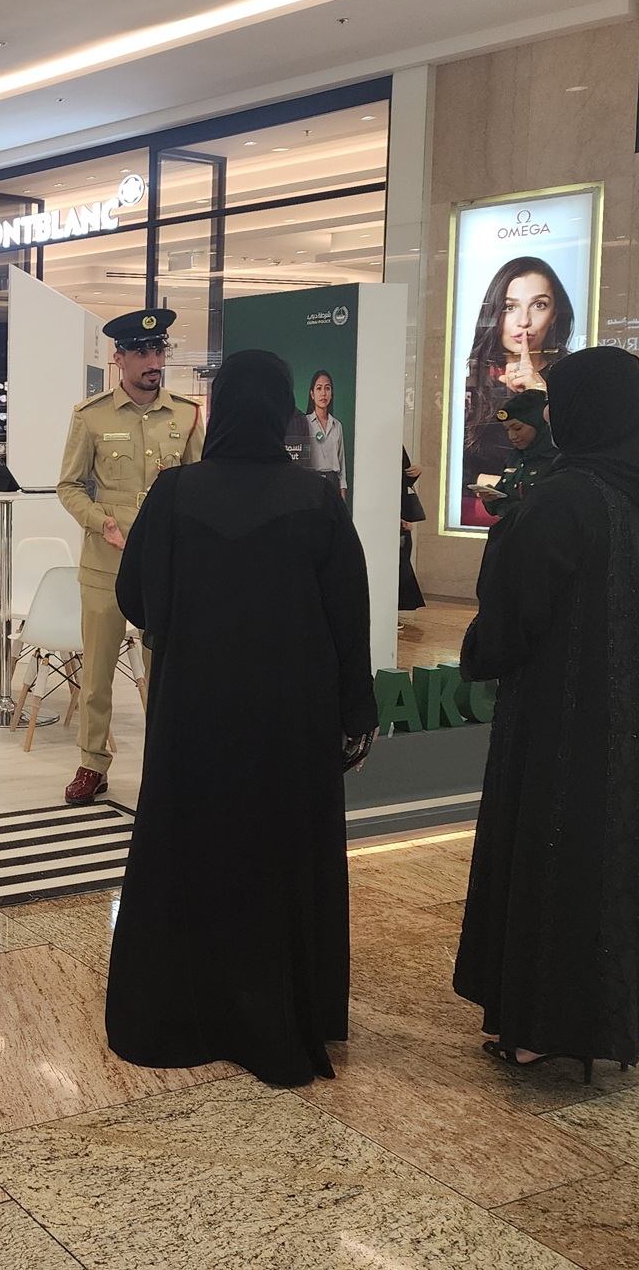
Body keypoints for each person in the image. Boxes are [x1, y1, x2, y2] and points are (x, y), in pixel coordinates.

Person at [105, 350, 374, 1087]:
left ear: (219, 408)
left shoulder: (174, 492)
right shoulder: (315, 498)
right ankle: (282, 1010)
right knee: (280, 850)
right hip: (291, 716)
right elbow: (348, 617)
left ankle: (187, 1004)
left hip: (195, 710)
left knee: (193, 845)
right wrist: (355, 711)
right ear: (284, 411)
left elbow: (134, 596)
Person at [455, 347, 639, 1079]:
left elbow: (512, 616)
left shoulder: (565, 497)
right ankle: (617, 1017)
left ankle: (544, 1026)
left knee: (558, 856)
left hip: (566, 714)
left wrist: (482, 651)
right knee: (625, 855)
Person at [55, 308, 204, 805]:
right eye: (142, 352)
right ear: (118, 358)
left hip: (165, 568)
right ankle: (92, 764)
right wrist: (101, 521)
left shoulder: (186, 414)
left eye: (158, 350)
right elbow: (69, 486)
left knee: (164, 676)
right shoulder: (91, 415)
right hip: (105, 565)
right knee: (97, 675)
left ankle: (165, 768)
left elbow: (199, 484)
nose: (153, 361)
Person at [461, 256, 575, 524]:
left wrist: (541, 391)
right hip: (481, 517)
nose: (524, 321)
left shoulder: (569, 378)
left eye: (539, 305)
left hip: (549, 517)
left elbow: (578, 452)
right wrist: (501, 485)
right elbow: (447, 464)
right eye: (510, 307)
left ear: (554, 314)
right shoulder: (474, 381)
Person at [478, 388, 558, 518]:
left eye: (517, 428)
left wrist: (506, 507)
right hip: (514, 529)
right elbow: (499, 501)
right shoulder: (516, 457)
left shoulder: (558, 459)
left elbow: (550, 510)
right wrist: (491, 498)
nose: (511, 436)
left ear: (539, 424)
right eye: (507, 430)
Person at [302, 369, 346, 498]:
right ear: (312, 394)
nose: (323, 393)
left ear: (331, 394)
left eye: (327, 388)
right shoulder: (304, 423)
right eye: (319, 388)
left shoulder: (337, 425)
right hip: (311, 483)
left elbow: (342, 467)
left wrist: (342, 497)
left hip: (333, 484)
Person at [398, 448, 427, 620]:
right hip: (393, 518)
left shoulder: (397, 448)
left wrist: (416, 471)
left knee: (402, 563)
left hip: (401, 519)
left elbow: (404, 480)